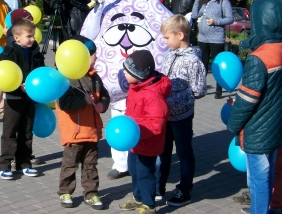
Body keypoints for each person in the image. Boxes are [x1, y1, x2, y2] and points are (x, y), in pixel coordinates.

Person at [81, 0, 171, 180]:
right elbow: (88, 35)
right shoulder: (107, 4)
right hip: (114, 82)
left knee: (145, 120)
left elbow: (169, 30)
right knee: (118, 119)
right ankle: (121, 164)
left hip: (142, 82)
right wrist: (97, 8)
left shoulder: (151, 5)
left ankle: (149, 162)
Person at [227, 0, 282, 214]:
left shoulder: (259, 58)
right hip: (276, 127)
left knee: (258, 181)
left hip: (258, 131)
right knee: (269, 173)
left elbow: (247, 100)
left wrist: (232, 124)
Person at [232, 32, 282, 214]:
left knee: (274, 170)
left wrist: (279, 116)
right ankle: (260, 204)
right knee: (262, 172)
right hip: (270, 127)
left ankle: (276, 205)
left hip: (276, 128)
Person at [157, 15, 206, 207]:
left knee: (184, 153)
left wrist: (178, 99)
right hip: (164, 115)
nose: (165, 41)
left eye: (167, 38)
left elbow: (199, 90)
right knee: (163, 152)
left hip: (182, 116)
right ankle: (158, 188)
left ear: (181, 35)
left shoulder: (193, 61)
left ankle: (185, 190)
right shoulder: (169, 55)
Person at [56, 35, 110, 210]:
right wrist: (83, 102)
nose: (95, 58)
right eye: (92, 55)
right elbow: (65, 104)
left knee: (90, 165)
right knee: (70, 165)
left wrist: (103, 104)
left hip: (92, 131)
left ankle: (92, 194)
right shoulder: (67, 78)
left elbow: (104, 94)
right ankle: (65, 191)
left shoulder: (94, 76)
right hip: (75, 132)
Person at [119, 50, 172, 214]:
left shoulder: (153, 95)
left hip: (147, 143)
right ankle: (138, 198)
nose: (124, 74)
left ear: (139, 74)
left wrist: (135, 129)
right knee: (133, 171)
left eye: (128, 72)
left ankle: (149, 204)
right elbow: (131, 110)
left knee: (145, 174)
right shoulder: (136, 87)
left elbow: (156, 123)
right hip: (134, 142)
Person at [0, 18, 45, 180]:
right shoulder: (9, 53)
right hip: (14, 97)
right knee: (10, 131)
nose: (32, 39)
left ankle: (24, 163)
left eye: (33, 36)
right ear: (16, 37)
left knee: (26, 130)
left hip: (30, 97)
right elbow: (2, 74)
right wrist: (19, 86)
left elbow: (41, 71)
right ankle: (5, 164)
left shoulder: (36, 51)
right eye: (29, 36)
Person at [191, 0, 233, 99]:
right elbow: (194, 15)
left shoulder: (223, 2)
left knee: (217, 65)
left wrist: (216, 21)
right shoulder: (206, 3)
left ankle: (218, 90)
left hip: (216, 39)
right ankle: (201, 88)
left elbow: (230, 19)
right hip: (203, 38)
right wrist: (197, 0)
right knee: (202, 64)